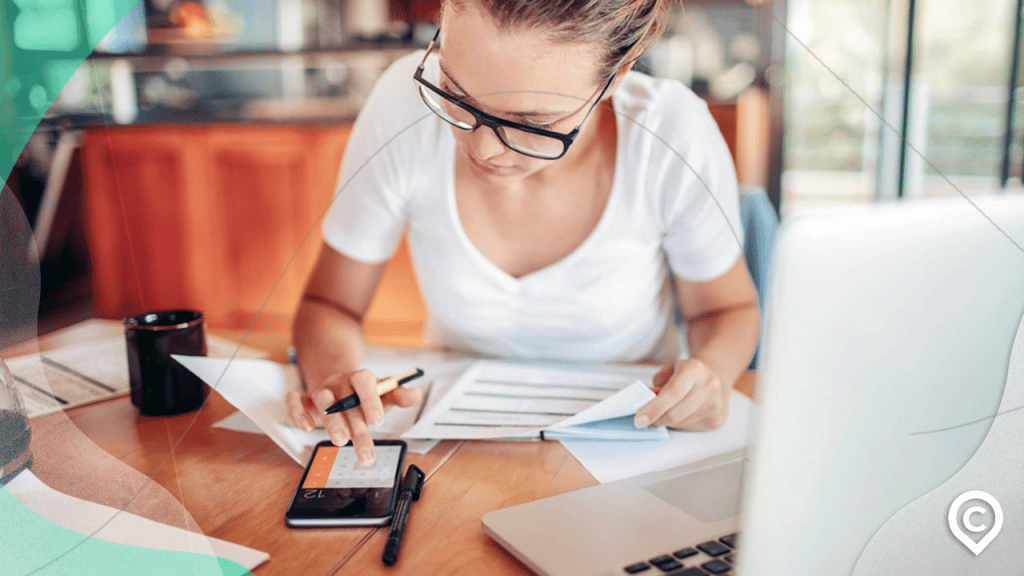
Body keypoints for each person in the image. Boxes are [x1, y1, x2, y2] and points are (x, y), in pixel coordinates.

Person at [287, 0, 761, 466]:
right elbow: (330, 305)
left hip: (631, 440)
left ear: (617, 75)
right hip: (461, 447)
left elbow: (727, 309)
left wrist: (713, 374)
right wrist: (336, 376)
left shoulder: (672, 132)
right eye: (455, 93)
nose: (483, 149)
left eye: (533, 123)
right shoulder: (403, 104)